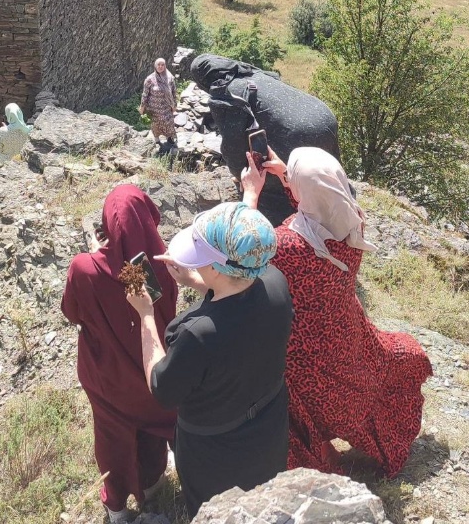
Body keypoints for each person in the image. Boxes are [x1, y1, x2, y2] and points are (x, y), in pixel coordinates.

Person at [126, 157, 293, 521]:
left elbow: (161, 386)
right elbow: (238, 284)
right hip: (268, 428)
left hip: (217, 452)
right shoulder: (276, 282)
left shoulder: (197, 334)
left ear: (218, 267)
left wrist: (146, 315)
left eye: (201, 257)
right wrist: (194, 278)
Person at [258, 145, 433, 477]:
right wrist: (286, 176)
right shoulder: (353, 221)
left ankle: (320, 460)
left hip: (304, 344)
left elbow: (244, 251)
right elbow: (318, 208)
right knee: (361, 382)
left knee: (301, 403)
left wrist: (250, 195)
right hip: (344, 328)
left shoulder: (287, 246)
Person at [61, 185, 178, 524]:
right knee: (153, 428)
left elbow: (73, 312)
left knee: (112, 438)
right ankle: (153, 484)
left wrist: (98, 255)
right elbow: (155, 301)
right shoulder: (165, 262)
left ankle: (117, 507)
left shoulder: (84, 268)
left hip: (107, 375)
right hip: (151, 370)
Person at [190, 53, 342, 225]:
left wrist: (242, 177)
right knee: (325, 172)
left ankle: (288, 217)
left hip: (302, 131)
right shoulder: (255, 73)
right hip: (324, 114)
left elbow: (232, 147)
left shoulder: (224, 93)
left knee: (270, 194)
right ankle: (339, 200)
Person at [139, 57, 178, 145]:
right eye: (158, 65)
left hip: (166, 107)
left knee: (169, 123)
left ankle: (169, 137)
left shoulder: (169, 78)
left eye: (162, 65)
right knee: (156, 125)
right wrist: (142, 106)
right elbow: (145, 94)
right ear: (155, 66)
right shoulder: (150, 79)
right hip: (154, 108)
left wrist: (174, 105)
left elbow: (174, 92)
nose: (160, 67)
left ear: (165, 66)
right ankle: (157, 140)